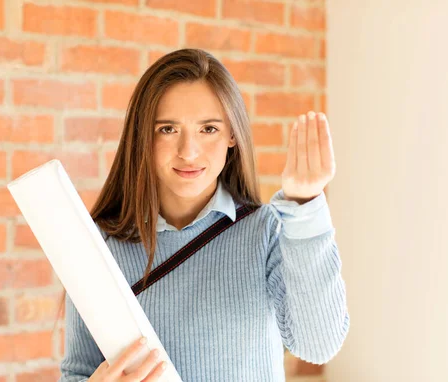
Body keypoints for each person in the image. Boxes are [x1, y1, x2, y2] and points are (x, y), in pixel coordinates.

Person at [59, 48, 350, 381]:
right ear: (142, 137)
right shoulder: (100, 247)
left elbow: (318, 345)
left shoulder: (266, 232)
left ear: (231, 135)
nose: (188, 151)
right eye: (167, 129)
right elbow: (78, 373)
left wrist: (305, 204)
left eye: (208, 129)